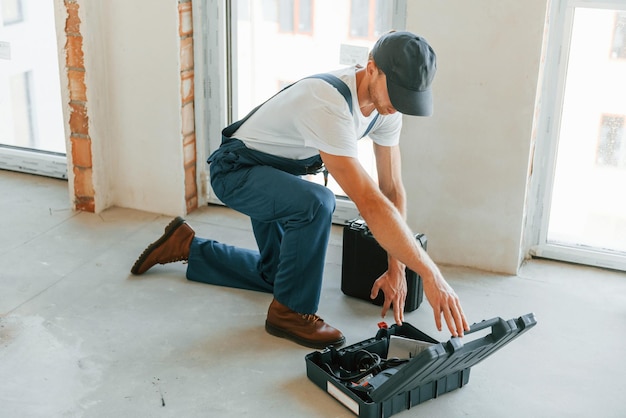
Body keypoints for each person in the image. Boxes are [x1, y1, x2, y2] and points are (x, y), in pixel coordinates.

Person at [131, 31, 469, 349]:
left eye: (409, 98)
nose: (398, 106)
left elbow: (392, 190)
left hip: (275, 174)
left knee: (277, 276)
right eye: (396, 93)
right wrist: (431, 274)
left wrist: (397, 269)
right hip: (236, 171)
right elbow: (369, 201)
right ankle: (290, 313)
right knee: (317, 202)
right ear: (371, 69)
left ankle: (187, 245)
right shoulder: (330, 103)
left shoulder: (385, 110)